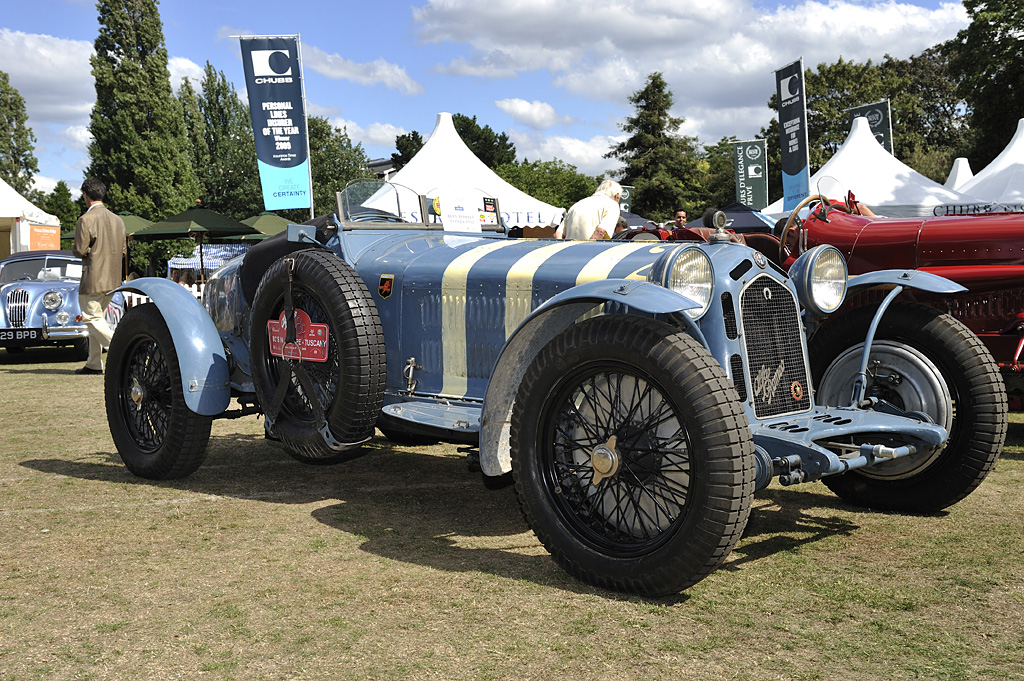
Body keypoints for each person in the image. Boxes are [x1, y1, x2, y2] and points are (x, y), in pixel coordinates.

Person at [72, 177, 126, 375]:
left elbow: (79, 250)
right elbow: (122, 251)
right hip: (113, 279)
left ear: (86, 196)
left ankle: (124, 351)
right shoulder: (118, 220)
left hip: (93, 277)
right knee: (98, 319)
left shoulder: (86, 220)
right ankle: (94, 362)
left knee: (91, 318)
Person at [556, 179, 622, 240]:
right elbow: (601, 231)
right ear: (616, 195)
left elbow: (558, 234)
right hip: (590, 251)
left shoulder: (577, 204)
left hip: (567, 250)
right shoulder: (612, 205)